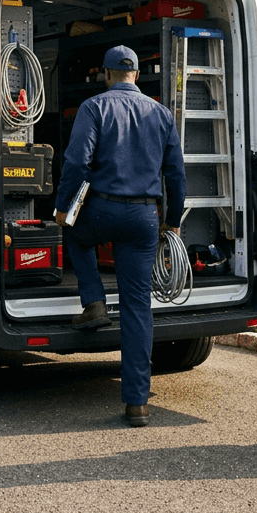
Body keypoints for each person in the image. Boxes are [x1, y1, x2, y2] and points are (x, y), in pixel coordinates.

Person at [55, 45, 186, 428]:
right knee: (137, 308)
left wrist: (64, 206)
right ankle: (137, 403)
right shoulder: (161, 113)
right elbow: (176, 174)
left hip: (102, 208)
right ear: (137, 75)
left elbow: (78, 160)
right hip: (145, 216)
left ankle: (94, 301)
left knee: (75, 237)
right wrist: (172, 221)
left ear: (106, 74)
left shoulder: (94, 108)